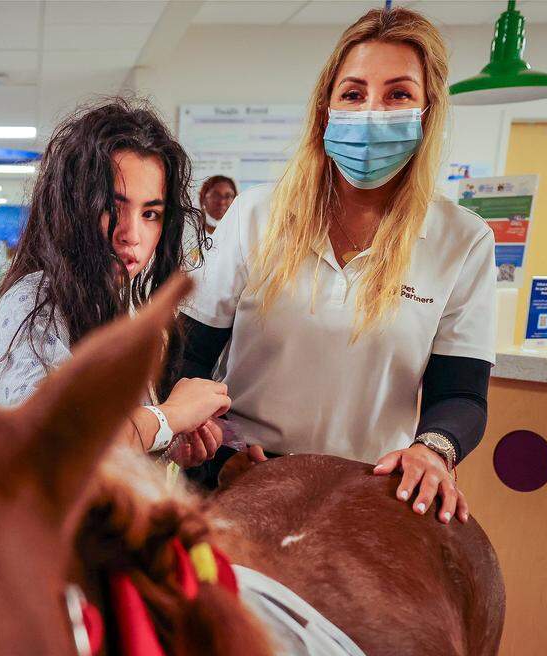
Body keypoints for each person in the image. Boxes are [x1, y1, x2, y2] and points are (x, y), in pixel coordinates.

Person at [181, 6, 495, 524]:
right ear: (325, 111)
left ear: (426, 112)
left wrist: (434, 450)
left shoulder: (461, 240)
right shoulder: (257, 215)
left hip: (368, 492)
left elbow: (460, 394)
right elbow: (188, 360)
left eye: (398, 94)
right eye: (353, 93)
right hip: (245, 476)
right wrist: (217, 458)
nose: (373, 112)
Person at [0, 99, 230, 468]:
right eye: (112, 208)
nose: (132, 235)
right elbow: (48, 446)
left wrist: (169, 442)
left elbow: (109, 438)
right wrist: (170, 415)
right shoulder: (33, 302)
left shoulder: (118, 302)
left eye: (150, 214)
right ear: (72, 207)